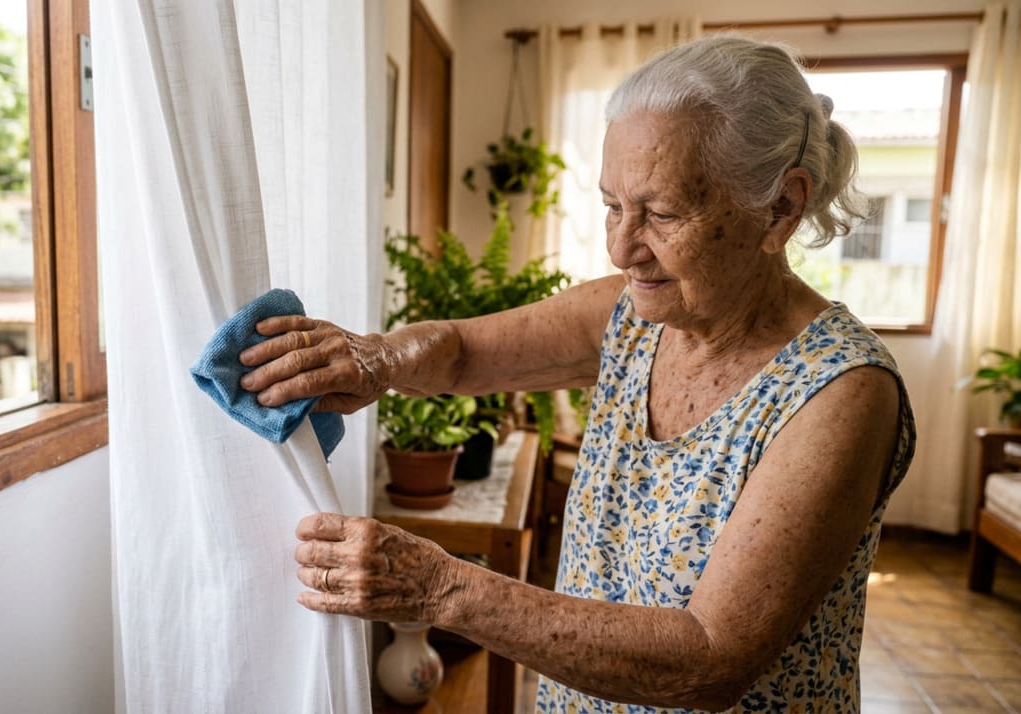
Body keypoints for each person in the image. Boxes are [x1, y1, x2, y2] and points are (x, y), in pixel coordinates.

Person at [238, 35, 915, 712]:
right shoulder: (629, 314)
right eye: (613, 206)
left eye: (664, 213)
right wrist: (378, 360)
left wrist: (443, 589)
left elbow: (710, 659)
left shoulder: (841, 392)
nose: (623, 248)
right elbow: (465, 352)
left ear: (781, 209)